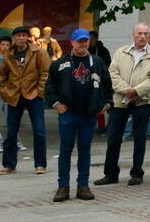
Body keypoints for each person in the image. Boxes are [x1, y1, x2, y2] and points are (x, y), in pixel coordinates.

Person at [45, 29, 112, 202]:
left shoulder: (97, 62)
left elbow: (107, 85)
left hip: (88, 115)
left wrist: (106, 104)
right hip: (68, 114)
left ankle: (83, 185)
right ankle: (63, 187)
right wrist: (56, 104)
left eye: (86, 41)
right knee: (65, 150)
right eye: (80, 41)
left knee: (85, 150)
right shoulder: (61, 63)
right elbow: (49, 87)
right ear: (72, 42)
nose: (83, 44)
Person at [94, 23, 150, 186]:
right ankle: (110, 173)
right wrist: (126, 91)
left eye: (146, 34)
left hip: (142, 101)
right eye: (139, 33)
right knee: (114, 138)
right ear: (133, 35)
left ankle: (137, 173)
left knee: (139, 138)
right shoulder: (121, 52)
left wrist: (137, 92)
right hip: (120, 100)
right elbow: (112, 74)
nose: (142, 36)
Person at [0, 25, 51, 175]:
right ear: (14, 38)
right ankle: (9, 164)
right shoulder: (8, 55)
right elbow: (1, 76)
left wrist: (40, 91)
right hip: (14, 95)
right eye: (18, 35)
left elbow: (46, 73)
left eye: (23, 35)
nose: (21, 38)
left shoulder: (38, 52)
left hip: (34, 95)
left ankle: (40, 164)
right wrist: (5, 92)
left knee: (39, 131)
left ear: (28, 37)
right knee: (11, 132)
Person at [0, 36, 25, 153]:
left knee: (13, 120)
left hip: (10, 93)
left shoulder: (14, 59)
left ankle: (16, 142)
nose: (5, 47)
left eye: (7, 45)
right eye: (3, 45)